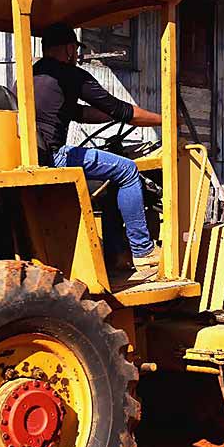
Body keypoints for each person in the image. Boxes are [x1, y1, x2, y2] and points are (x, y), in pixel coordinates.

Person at [33, 23, 162, 269]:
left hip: (37, 153)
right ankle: (143, 250)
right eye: (76, 50)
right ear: (70, 49)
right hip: (54, 155)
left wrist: (115, 115)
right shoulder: (70, 75)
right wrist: (166, 120)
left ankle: (116, 254)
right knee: (127, 170)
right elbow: (123, 110)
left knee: (114, 176)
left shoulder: (35, 75)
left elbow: (79, 113)